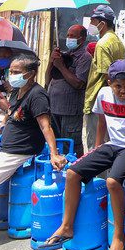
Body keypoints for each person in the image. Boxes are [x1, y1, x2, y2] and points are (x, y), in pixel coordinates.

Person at [40, 60, 125, 250]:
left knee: (113, 182)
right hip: (112, 144)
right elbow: (102, 122)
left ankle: (119, 237)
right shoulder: (104, 94)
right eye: (118, 86)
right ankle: (67, 226)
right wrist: (96, 149)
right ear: (109, 82)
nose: (123, 91)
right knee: (72, 173)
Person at [0, 55, 67, 250]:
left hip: (19, 150)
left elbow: (45, 126)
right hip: (6, 146)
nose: (10, 75)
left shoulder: (37, 95)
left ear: (30, 74)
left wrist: (54, 154)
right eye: (10, 71)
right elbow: (12, 115)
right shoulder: (17, 92)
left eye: (15, 72)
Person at [83, 5, 125, 151]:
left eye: (93, 21)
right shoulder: (117, 41)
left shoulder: (102, 44)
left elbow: (108, 74)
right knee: (109, 142)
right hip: (112, 101)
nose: (91, 25)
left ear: (103, 23)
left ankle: (97, 174)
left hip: (99, 100)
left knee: (96, 145)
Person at [47, 25, 92, 156]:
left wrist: (61, 66)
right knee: (55, 145)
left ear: (82, 39)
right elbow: (47, 79)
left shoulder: (85, 57)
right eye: (68, 35)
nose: (69, 38)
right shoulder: (63, 55)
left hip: (70, 111)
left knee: (71, 146)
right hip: (54, 108)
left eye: (72, 36)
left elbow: (78, 84)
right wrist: (51, 62)